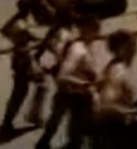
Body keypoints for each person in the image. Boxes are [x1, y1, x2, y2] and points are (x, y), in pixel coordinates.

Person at [36, 15, 101, 149]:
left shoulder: (84, 46)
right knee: (72, 130)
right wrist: (84, 84)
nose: (98, 33)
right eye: (95, 29)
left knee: (60, 122)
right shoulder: (78, 49)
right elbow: (63, 75)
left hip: (74, 95)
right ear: (85, 29)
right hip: (74, 95)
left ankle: (44, 143)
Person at [92, 30, 137, 149]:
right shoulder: (118, 72)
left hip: (112, 132)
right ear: (121, 49)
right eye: (132, 47)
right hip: (114, 135)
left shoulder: (113, 68)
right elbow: (106, 105)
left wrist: (132, 105)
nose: (135, 52)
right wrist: (132, 111)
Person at [0, 0, 42, 133]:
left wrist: (15, 38)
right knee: (21, 92)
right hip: (23, 61)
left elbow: (4, 31)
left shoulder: (17, 21)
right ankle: (11, 120)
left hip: (19, 60)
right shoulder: (22, 25)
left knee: (37, 85)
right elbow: (26, 41)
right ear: (28, 10)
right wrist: (38, 44)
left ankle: (27, 116)